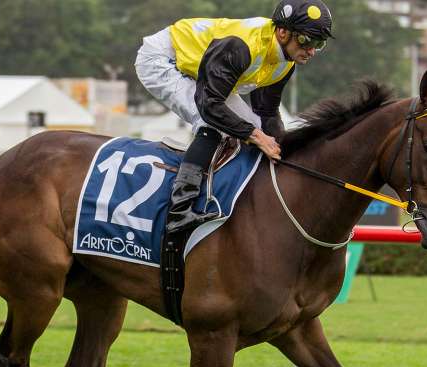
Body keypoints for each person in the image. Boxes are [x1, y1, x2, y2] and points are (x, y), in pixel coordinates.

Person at [136, 0, 333, 232]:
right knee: (212, 123)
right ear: (282, 32)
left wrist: (286, 151)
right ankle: (179, 210)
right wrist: (257, 137)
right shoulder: (242, 46)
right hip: (164, 59)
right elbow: (210, 106)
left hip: (202, 68)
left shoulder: (285, 62)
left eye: (319, 43)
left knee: (253, 125)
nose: (311, 51)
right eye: (306, 40)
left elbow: (266, 113)